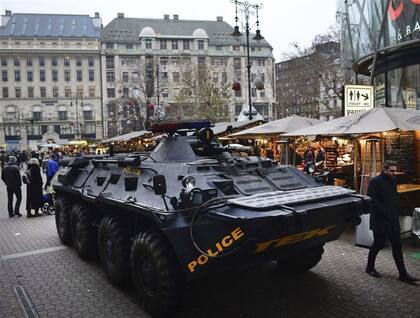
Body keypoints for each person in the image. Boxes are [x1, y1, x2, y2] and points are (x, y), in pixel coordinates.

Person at [366, 161, 418, 284]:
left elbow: (393, 198)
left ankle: (403, 274)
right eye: (391, 171)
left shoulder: (392, 181)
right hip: (380, 220)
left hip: (392, 220)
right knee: (378, 244)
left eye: (395, 170)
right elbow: (372, 200)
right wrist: (385, 212)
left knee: (397, 246)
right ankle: (369, 267)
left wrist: (396, 210)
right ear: (384, 170)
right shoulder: (375, 181)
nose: (394, 173)